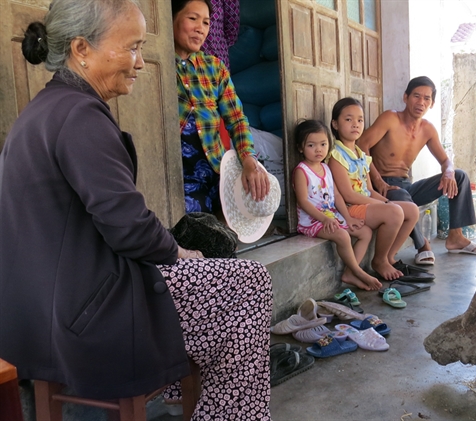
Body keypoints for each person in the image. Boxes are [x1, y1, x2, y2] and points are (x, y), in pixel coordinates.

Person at [0, 1, 272, 420]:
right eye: (132, 48)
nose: (141, 63)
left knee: (216, 276)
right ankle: (227, 413)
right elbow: (128, 227)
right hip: (90, 313)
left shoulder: (44, 109)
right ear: (81, 48)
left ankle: (201, 400)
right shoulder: (79, 116)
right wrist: (177, 254)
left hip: (40, 312)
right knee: (248, 281)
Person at [357, 76, 476, 262]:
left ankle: (455, 237)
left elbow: (446, 160)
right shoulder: (390, 118)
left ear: (432, 103)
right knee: (401, 196)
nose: (421, 102)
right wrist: (377, 181)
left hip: (406, 186)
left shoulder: (427, 129)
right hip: (383, 185)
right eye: (416, 96)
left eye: (426, 98)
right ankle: (422, 245)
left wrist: (448, 171)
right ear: (405, 97)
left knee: (460, 177)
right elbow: (362, 144)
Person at [172, 0, 269, 215]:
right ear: (171, 18)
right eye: (192, 18)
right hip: (177, 177)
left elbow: (236, 118)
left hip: (215, 171)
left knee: (242, 208)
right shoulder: (157, 66)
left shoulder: (214, 67)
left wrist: (248, 158)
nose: (200, 28)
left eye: (206, 22)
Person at [327, 98, 421, 281]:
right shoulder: (336, 156)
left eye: (360, 120)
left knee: (412, 210)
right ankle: (378, 261)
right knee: (394, 212)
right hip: (349, 209)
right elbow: (348, 195)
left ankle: (388, 257)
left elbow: (369, 189)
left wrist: (385, 202)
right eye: (348, 119)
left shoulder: (361, 155)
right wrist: (385, 204)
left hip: (366, 205)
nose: (355, 124)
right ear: (335, 124)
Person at [292, 120, 382, 291]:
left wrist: (348, 218)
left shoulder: (326, 168)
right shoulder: (301, 171)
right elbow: (303, 202)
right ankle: (358, 271)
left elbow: (337, 195)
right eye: (311, 145)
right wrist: (324, 219)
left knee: (365, 232)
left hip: (332, 216)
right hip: (313, 221)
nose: (318, 149)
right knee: (342, 235)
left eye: (323, 144)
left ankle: (349, 272)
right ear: (300, 148)